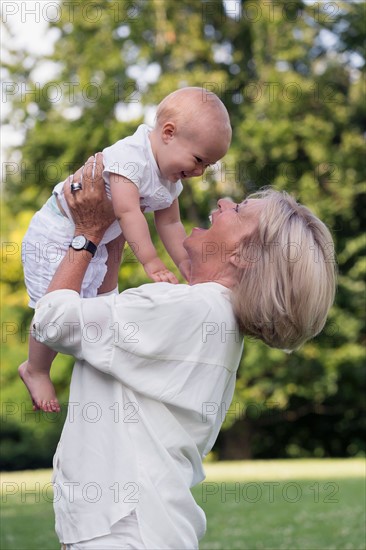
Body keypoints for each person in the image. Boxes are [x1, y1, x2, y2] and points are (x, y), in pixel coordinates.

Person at [24, 154, 336, 549]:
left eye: (237, 209)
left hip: (124, 532)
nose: (223, 204)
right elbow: (104, 328)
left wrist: (85, 233)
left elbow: (52, 320)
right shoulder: (212, 316)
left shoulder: (192, 308)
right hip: (139, 528)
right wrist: (114, 235)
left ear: (243, 254)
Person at [19, 87, 232, 413]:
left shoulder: (170, 179)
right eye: (199, 160)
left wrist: (186, 266)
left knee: (89, 312)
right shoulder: (130, 158)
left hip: (98, 239)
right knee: (54, 304)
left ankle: (90, 387)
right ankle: (35, 368)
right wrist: (150, 261)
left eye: (209, 165)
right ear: (169, 133)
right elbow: (127, 212)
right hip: (54, 232)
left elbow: (171, 226)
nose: (200, 172)